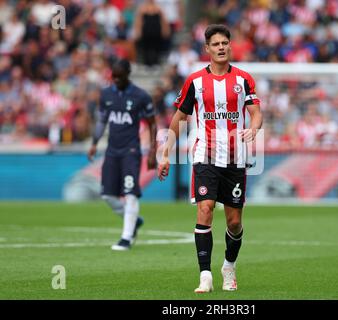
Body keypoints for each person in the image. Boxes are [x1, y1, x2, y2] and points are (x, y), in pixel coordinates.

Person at [158, 24, 263, 293]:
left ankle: (229, 266)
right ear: (207, 49)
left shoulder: (243, 80)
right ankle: (205, 275)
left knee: (234, 222)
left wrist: (254, 128)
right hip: (205, 155)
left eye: (224, 43)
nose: (221, 48)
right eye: (215, 44)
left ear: (230, 46)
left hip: (235, 158)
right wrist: (165, 154)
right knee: (205, 209)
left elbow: (256, 113)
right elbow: (179, 118)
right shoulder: (194, 81)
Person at [88, 58, 157, 251]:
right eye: (113, 77)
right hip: (112, 151)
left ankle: (126, 237)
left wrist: (152, 151)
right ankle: (134, 221)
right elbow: (102, 120)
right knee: (107, 195)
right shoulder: (106, 94)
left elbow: (152, 124)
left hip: (131, 151)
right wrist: (94, 142)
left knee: (130, 193)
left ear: (128, 74)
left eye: (119, 76)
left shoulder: (140, 96)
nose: (116, 80)